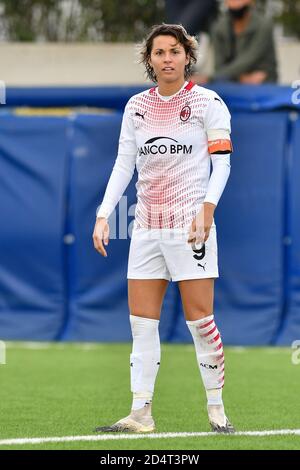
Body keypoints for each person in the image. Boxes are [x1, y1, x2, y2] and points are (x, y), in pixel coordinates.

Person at [92, 23, 234, 434]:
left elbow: (222, 162)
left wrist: (206, 210)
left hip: (191, 225)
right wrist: (104, 214)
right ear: (149, 60)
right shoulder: (136, 106)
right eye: (159, 52)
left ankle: (216, 410)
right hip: (147, 228)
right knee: (141, 323)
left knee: (200, 322)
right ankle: (141, 412)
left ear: (187, 56)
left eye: (174, 51)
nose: (167, 58)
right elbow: (124, 164)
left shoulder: (208, 102)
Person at [211, 0, 278, 83]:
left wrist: (212, 77)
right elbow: (219, 65)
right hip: (230, 84)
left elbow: (251, 58)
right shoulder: (219, 29)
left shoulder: (264, 25)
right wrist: (239, 78)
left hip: (263, 83)